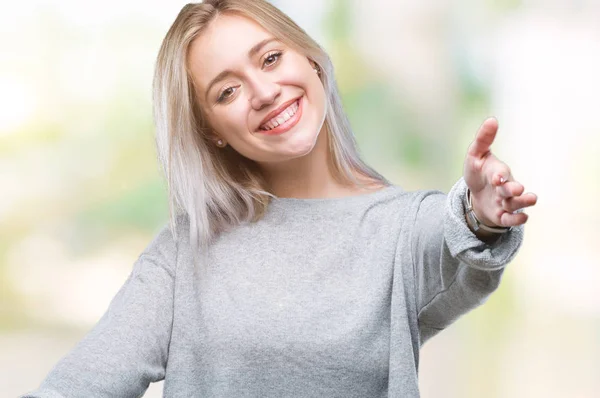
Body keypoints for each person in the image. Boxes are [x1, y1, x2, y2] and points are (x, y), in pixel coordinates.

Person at [21, 1, 538, 397]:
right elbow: (78, 385)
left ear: (310, 59)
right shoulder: (186, 253)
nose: (264, 91)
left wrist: (481, 215)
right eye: (227, 91)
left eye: (271, 58)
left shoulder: (402, 228)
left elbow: (459, 243)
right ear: (211, 131)